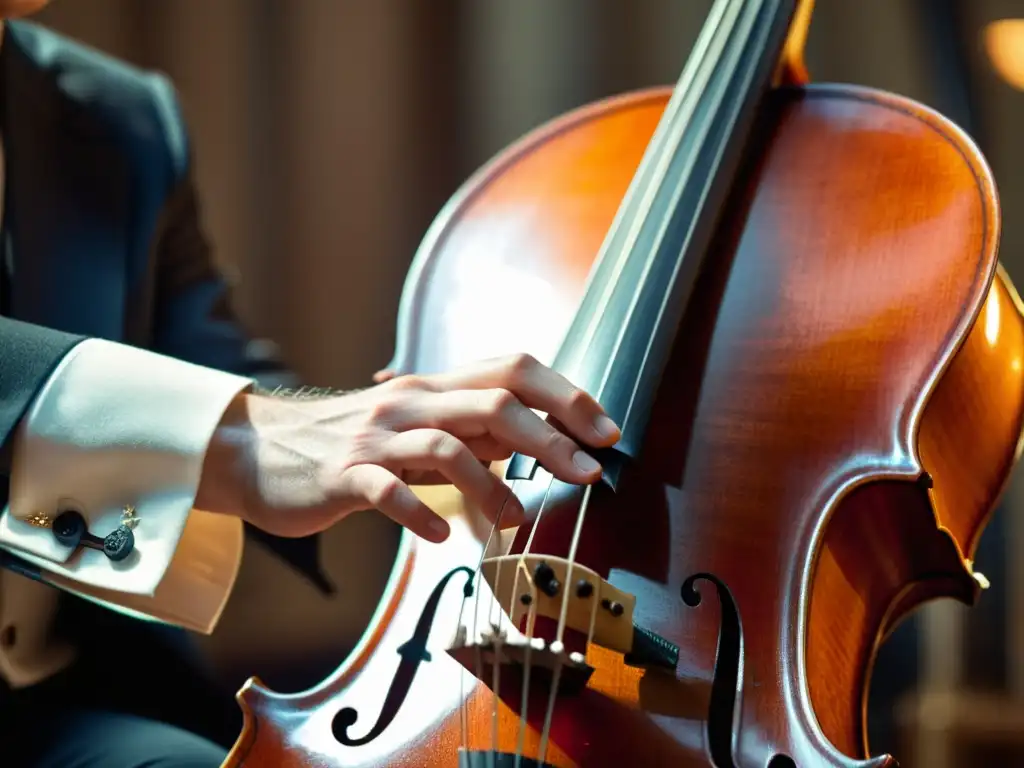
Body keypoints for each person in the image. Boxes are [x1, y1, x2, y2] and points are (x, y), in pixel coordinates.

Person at [0, 3, 621, 767]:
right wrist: (239, 440)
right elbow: (240, 426)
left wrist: (398, 431)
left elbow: (223, 382)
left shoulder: (123, 119)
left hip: (57, 699)